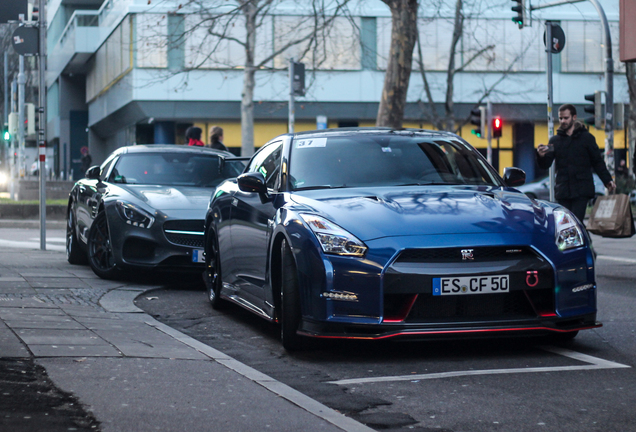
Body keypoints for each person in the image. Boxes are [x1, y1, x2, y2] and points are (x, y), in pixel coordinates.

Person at [537, 103, 615, 223]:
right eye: (561, 118)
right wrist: (541, 156)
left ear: (574, 117)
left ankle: (581, 241)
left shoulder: (587, 138)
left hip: (581, 189)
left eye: (566, 118)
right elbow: (545, 164)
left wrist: (607, 181)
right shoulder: (555, 141)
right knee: (565, 224)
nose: (563, 121)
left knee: (576, 222)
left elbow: (597, 162)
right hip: (563, 190)